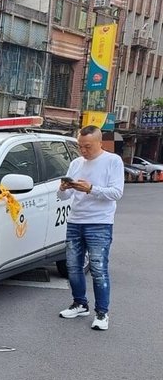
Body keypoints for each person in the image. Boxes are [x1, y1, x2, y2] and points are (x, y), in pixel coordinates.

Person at [57, 125, 124, 331]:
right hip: (75, 221)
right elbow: (64, 197)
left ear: (99, 143)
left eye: (87, 147)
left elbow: (116, 192)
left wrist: (91, 189)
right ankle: (80, 303)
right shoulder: (76, 163)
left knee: (98, 269)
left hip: (100, 223)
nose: (83, 151)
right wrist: (63, 188)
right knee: (73, 267)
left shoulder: (113, 161)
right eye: (80, 146)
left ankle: (102, 313)